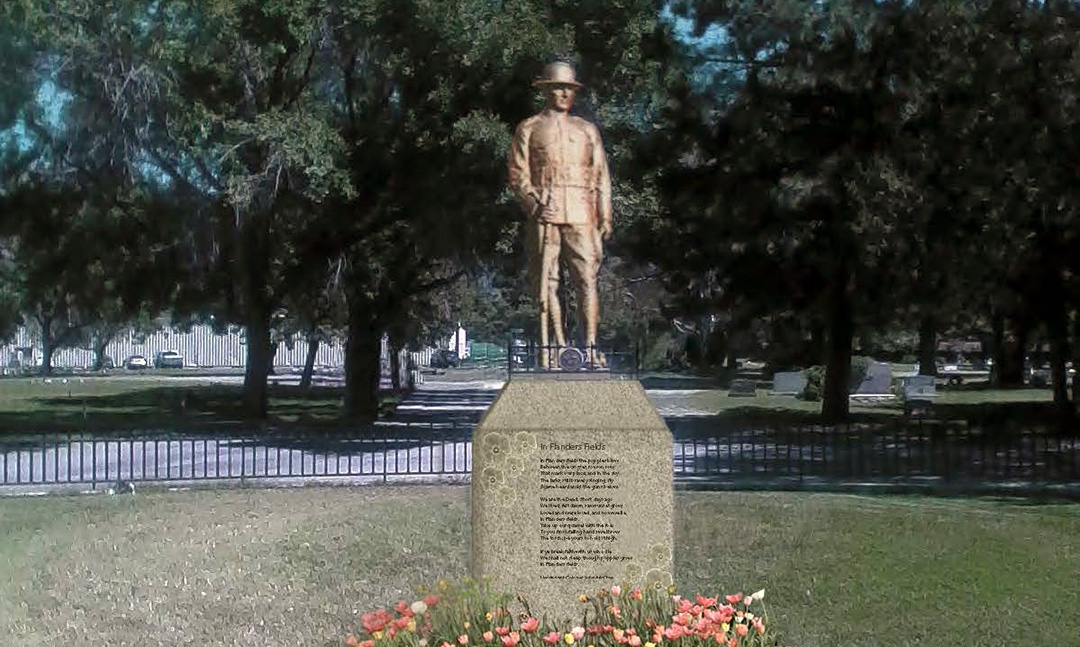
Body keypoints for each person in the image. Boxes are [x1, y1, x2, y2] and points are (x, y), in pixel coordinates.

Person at [507, 61, 612, 367]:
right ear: (546, 90)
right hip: (546, 213)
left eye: (570, 88)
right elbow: (518, 174)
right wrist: (533, 202)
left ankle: (590, 346)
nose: (565, 93)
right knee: (547, 281)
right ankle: (556, 347)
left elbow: (601, 174)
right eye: (558, 87)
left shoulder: (587, 130)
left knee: (586, 279)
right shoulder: (528, 128)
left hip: (582, 212)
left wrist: (605, 215)